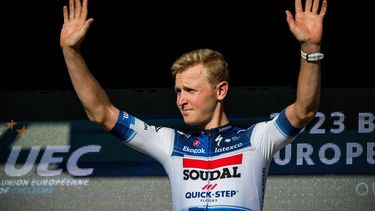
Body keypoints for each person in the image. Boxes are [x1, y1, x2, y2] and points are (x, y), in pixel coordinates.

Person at [60, 0, 327, 210]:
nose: (180, 100)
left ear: (220, 90)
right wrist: (71, 52)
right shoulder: (171, 143)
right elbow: (101, 113)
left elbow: (304, 110)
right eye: (178, 91)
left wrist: (310, 47)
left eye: (190, 90)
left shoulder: (255, 139)